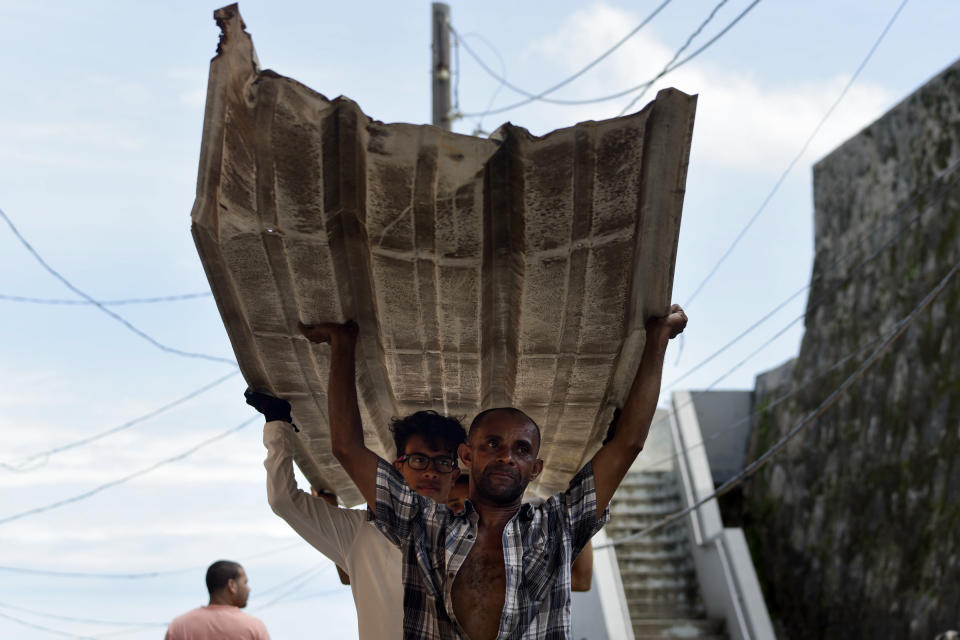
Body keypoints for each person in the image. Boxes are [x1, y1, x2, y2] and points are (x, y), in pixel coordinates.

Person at [300, 304, 687, 640]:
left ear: (535, 468)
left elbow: (628, 444)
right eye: (492, 445)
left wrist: (658, 340)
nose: (505, 456)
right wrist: (343, 345)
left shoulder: (558, 524)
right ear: (467, 456)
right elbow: (347, 448)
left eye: (520, 450)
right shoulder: (424, 524)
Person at [247, 388, 467, 640]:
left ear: (454, 475)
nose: (430, 472)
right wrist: (277, 424)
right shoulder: (359, 531)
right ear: (398, 468)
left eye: (442, 462)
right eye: (419, 460)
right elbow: (283, 500)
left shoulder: (478, 536)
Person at [165, 560, 269, 640]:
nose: (248, 589)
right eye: (245, 583)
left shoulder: (178, 626)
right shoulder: (253, 627)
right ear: (232, 585)